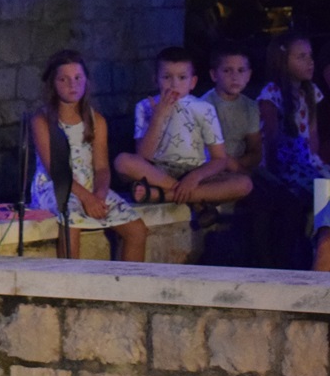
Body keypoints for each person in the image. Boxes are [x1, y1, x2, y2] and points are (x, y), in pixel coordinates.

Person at [30, 50, 148, 260]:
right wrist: (87, 198)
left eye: (78, 78)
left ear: (86, 81)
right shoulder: (42, 120)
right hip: (56, 186)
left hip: (90, 185)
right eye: (63, 79)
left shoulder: (96, 121)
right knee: (71, 220)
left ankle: (126, 280)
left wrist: (99, 195)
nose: (72, 85)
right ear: (53, 84)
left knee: (137, 230)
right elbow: (56, 170)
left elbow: (102, 167)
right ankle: (71, 279)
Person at [113, 46, 252, 211]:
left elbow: (219, 159)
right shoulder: (145, 107)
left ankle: (162, 195)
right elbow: (143, 156)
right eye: (167, 77)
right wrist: (158, 117)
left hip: (195, 171)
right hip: (158, 173)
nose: (174, 84)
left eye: (182, 77)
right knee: (122, 161)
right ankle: (188, 195)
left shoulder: (204, 108)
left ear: (193, 82)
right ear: (155, 79)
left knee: (244, 184)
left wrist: (194, 177)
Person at [258, 33, 330, 270]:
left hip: (307, 163)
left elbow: (313, 137)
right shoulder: (272, 93)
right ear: (282, 60)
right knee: (323, 188)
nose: (310, 62)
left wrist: (317, 164)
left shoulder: (310, 92)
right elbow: (270, 140)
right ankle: (320, 250)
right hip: (285, 165)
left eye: (310, 56)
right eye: (301, 57)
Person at [199, 43, 263, 177]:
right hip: (208, 170)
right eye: (227, 71)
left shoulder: (250, 107)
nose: (235, 77)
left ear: (249, 75)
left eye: (241, 70)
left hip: (239, 168)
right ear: (214, 75)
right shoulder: (203, 106)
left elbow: (255, 152)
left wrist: (234, 166)